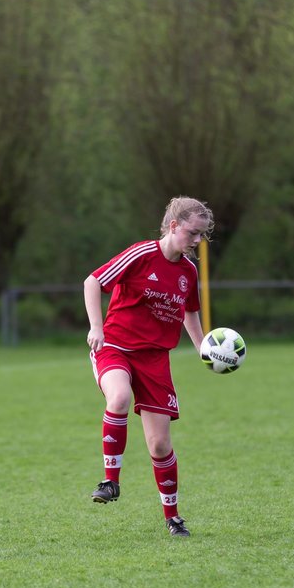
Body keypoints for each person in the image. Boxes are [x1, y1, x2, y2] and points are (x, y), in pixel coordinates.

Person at [84, 196, 211, 537]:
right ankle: (111, 481)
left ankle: (173, 517)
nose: (197, 241)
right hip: (114, 347)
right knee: (120, 397)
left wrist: (203, 347)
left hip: (155, 359)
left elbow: (190, 311)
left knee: (159, 446)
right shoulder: (142, 254)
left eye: (201, 235)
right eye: (192, 233)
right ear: (173, 226)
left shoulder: (188, 271)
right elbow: (93, 282)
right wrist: (96, 327)